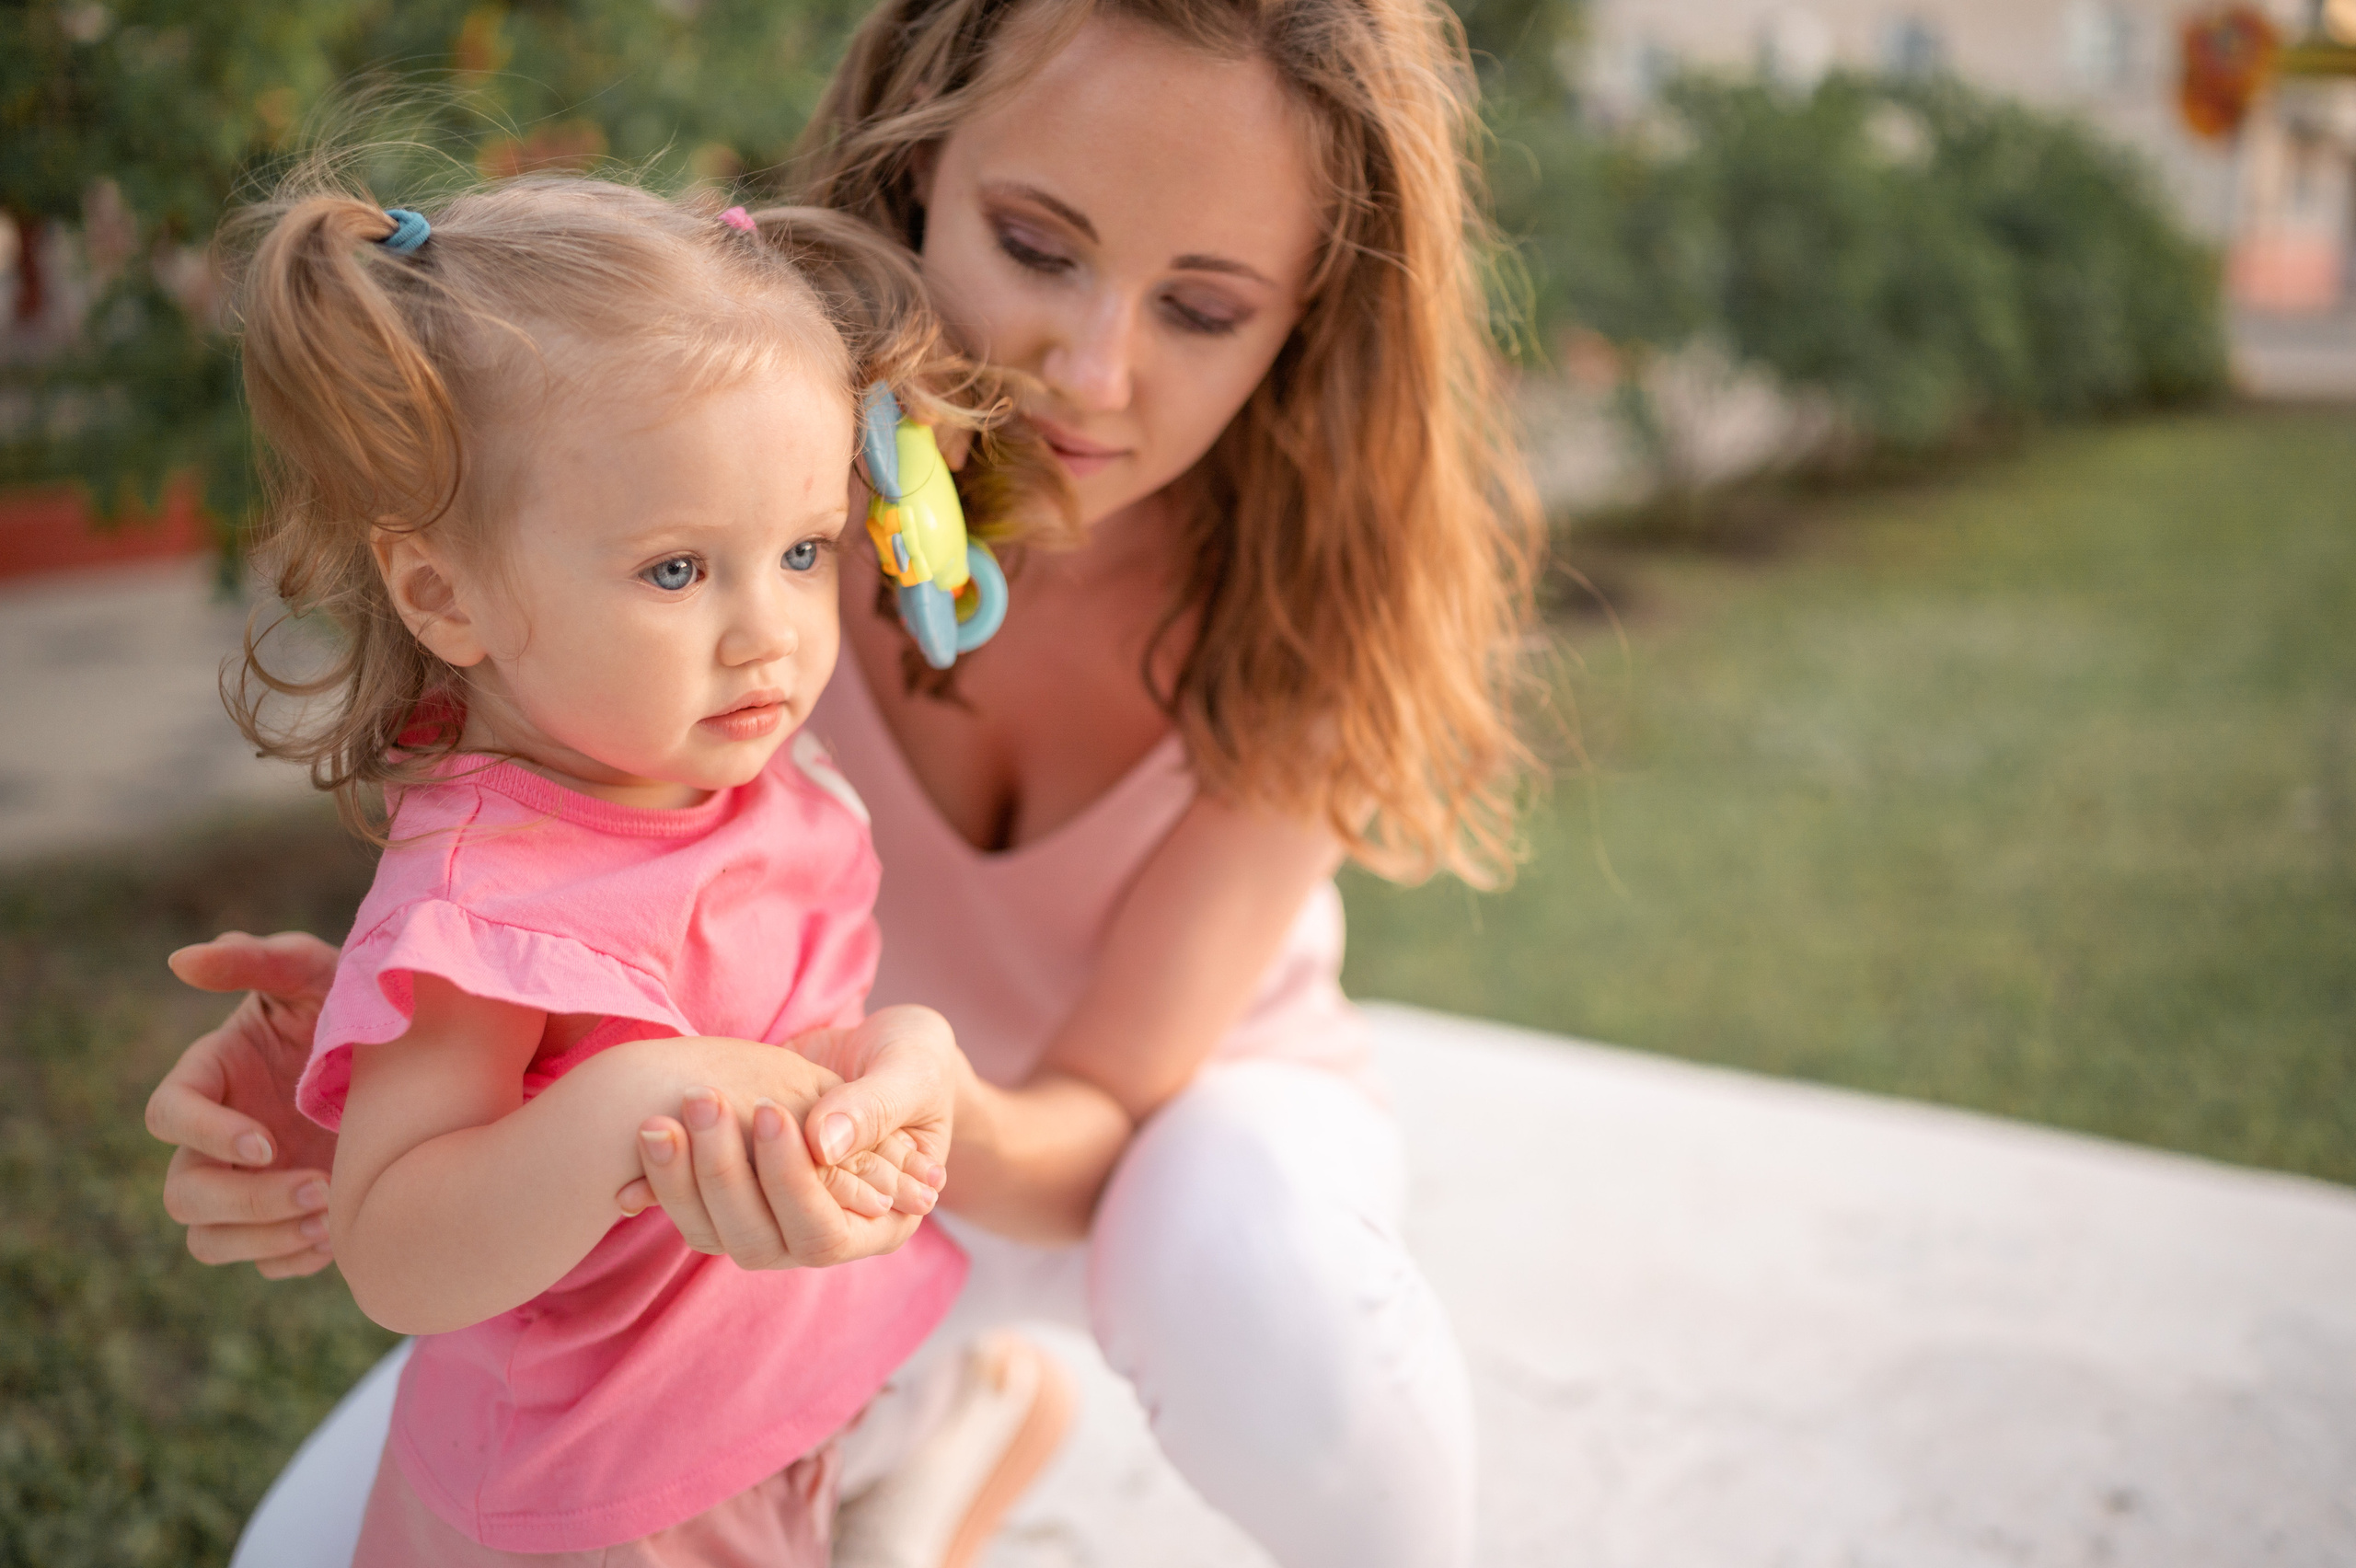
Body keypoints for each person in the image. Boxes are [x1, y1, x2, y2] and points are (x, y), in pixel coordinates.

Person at [148, 0, 1541, 1562]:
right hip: (784, 1168)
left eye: (1203, 309)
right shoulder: (746, 477)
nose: (1089, 371)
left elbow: (1094, 1122)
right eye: (1035, 243)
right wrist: (406, 1055)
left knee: (1247, 1250)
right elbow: (558, 867)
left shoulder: (1303, 614)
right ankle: (951, 1425)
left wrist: (901, 1098)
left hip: (1100, 1164)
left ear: (1310, 324)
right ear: (918, 167)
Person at [209, 167, 1045, 1564]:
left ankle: (927, 1440)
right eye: (675, 572)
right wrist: (633, 1104)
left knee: (847, 1454)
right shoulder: (484, 905)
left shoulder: (738, 771)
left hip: (789, 1379)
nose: (767, 631)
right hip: (606, 1491)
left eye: (799, 551)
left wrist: (901, 1053)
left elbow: (798, 1032)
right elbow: (394, 1246)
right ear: (443, 594)